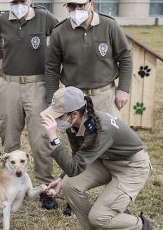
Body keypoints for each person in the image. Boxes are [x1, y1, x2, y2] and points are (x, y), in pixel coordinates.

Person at [41, 86, 152, 230]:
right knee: (69, 184)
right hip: (107, 160)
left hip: (132, 167)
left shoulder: (99, 130)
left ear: (74, 114)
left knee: (99, 217)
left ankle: (141, 225)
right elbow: (77, 156)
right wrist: (61, 179)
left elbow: (74, 168)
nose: (54, 120)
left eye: (58, 116)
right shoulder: (74, 123)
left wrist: (53, 138)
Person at [0, 0, 58, 210]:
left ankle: (46, 187)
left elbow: (59, 38)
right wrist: (0, 57)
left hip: (37, 85)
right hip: (9, 84)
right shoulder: (1, 20)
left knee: (40, 139)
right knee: (8, 136)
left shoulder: (44, 17)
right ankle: (10, 187)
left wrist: (53, 63)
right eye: (14, 2)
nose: (18, 5)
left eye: (22, 1)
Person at [45, 0, 132, 117]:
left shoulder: (110, 25)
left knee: (108, 136)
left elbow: (125, 57)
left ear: (91, 4)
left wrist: (123, 89)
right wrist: (52, 99)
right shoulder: (59, 32)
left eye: (81, 5)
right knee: (75, 136)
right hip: (74, 98)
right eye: (72, 6)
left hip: (105, 96)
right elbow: (52, 67)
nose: (76, 10)